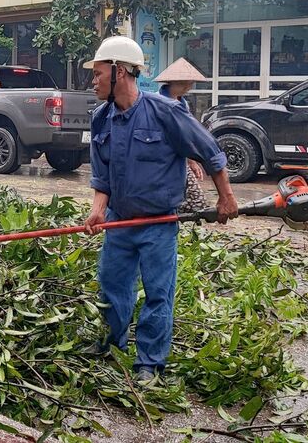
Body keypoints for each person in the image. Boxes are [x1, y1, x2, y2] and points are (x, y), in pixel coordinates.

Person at [83, 36, 238, 384]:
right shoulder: (101, 120)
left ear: (118, 72)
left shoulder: (165, 112)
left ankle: (149, 363)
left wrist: (225, 197)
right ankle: (112, 344)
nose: (93, 81)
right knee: (111, 286)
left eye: (97, 73)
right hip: (118, 222)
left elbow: (210, 152)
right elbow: (101, 176)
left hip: (158, 223)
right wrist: (97, 210)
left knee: (158, 292)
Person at [154, 58, 209, 213]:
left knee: (197, 202)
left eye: (190, 84)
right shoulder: (156, 102)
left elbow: (185, 135)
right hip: (162, 160)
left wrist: (191, 161)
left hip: (179, 158)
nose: (187, 88)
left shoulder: (183, 104)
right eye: (184, 84)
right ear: (172, 83)